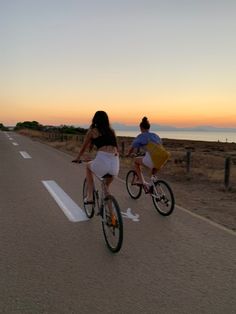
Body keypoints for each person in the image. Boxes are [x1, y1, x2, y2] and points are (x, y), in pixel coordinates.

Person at [72, 110, 119, 204]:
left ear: (95, 119)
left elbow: (83, 148)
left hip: (102, 161)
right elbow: (116, 149)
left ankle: (90, 197)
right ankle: (112, 217)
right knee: (106, 188)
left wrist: (77, 158)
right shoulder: (111, 131)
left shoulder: (92, 131)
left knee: (88, 167)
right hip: (115, 163)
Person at [126, 116, 162, 187]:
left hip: (151, 159)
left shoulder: (141, 136)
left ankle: (141, 180)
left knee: (136, 161)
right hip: (161, 159)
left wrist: (128, 154)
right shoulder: (155, 136)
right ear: (149, 127)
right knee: (153, 174)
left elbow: (132, 147)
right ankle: (153, 188)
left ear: (141, 128)